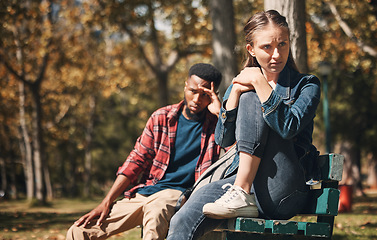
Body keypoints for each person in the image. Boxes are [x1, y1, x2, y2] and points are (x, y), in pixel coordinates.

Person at [167, 10, 321, 240]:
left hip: (285, 189)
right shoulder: (242, 83)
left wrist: (260, 86)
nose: (277, 54)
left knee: (252, 97)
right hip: (243, 184)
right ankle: (240, 190)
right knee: (182, 218)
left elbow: (289, 127)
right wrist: (235, 95)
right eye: (267, 47)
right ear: (251, 49)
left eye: (282, 44)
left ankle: (240, 191)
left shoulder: (307, 85)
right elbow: (223, 139)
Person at [66, 63, 223, 240]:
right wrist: (106, 201)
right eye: (193, 91)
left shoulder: (217, 126)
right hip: (145, 192)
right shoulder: (161, 118)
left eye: (204, 95)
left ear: (213, 96)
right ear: (185, 85)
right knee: (79, 230)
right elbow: (136, 161)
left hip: (176, 195)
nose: (196, 99)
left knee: (156, 215)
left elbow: (235, 153)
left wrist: (220, 114)